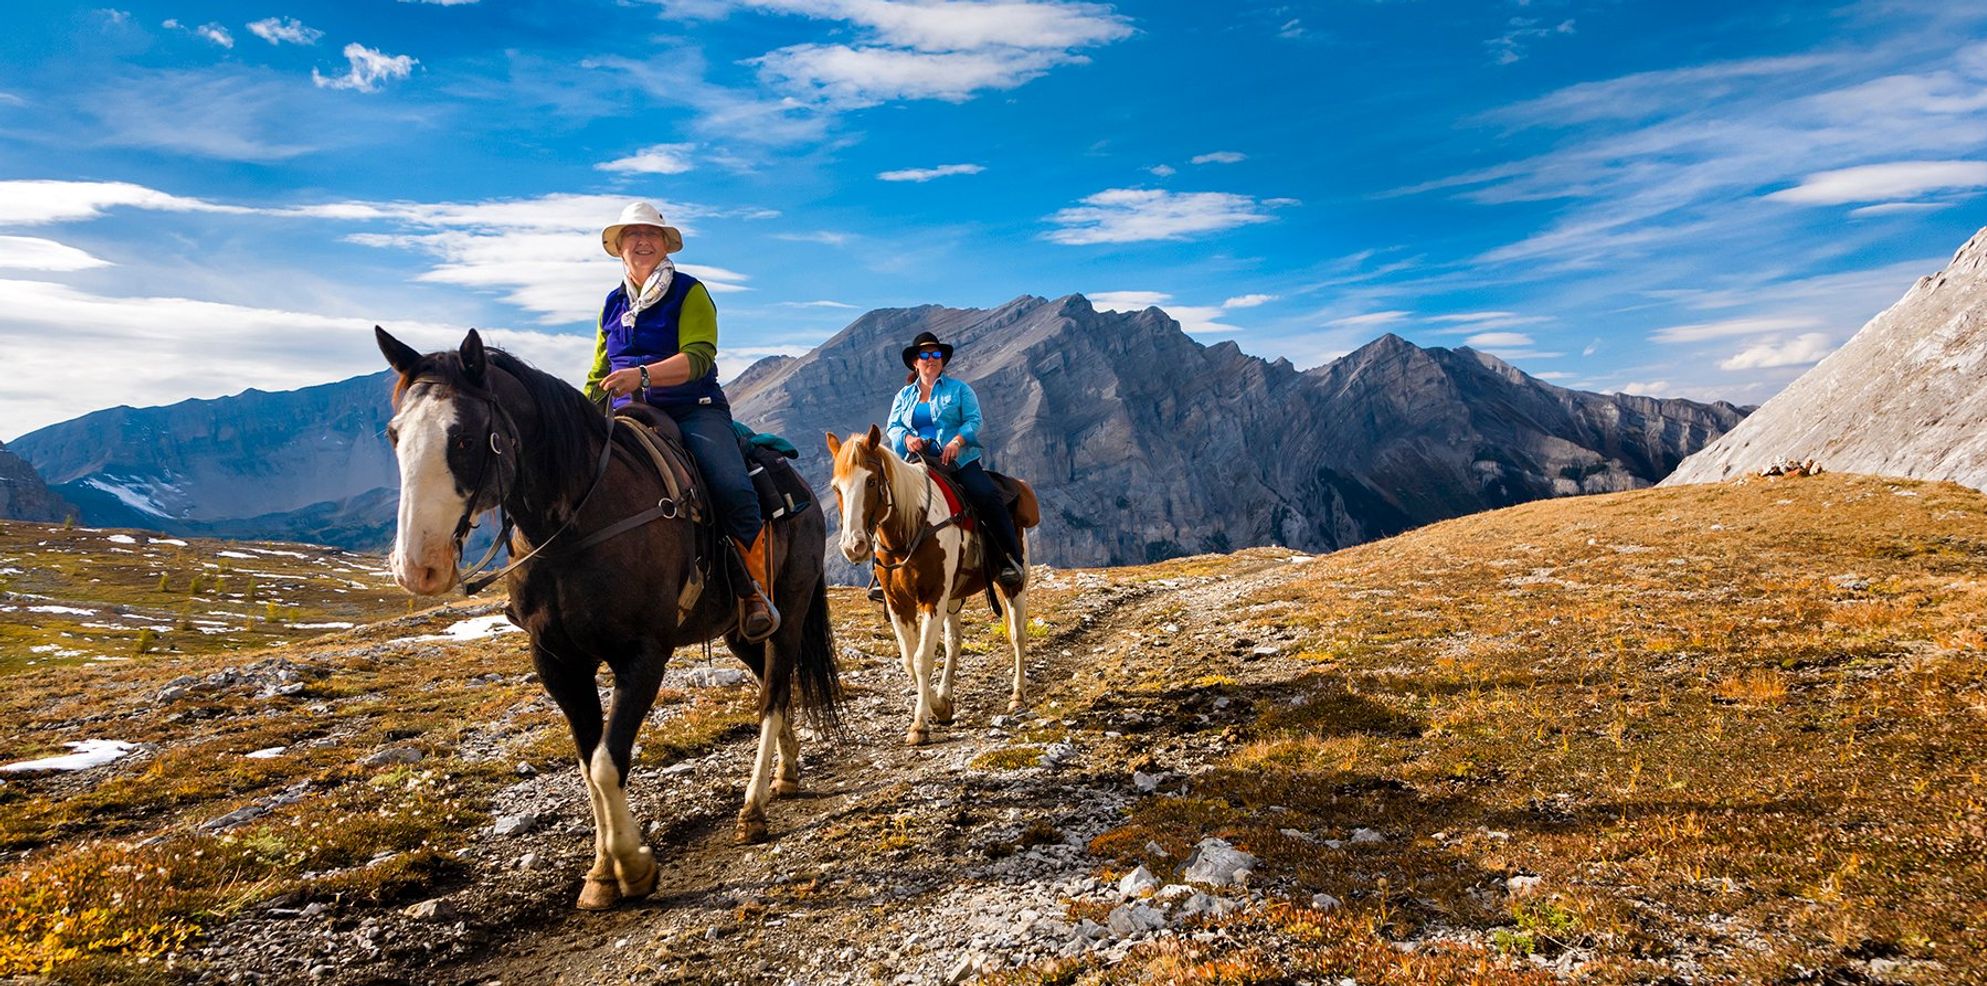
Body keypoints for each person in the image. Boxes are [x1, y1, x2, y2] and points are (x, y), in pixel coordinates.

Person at [584, 201, 777, 641]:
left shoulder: (690, 292)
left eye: (651, 234)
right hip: (627, 413)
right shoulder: (611, 304)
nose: (643, 241)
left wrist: (642, 375)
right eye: (633, 235)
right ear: (619, 247)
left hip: (692, 408)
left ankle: (754, 592)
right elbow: (599, 372)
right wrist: (578, 416)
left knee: (731, 486)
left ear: (665, 244)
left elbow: (699, 357)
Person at [885, 331, 1026, 592]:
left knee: (987, 495)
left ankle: (1010, 559)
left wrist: (957, 442)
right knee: (885, 501)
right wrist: (906, 439)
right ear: (915, 362)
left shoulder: (960, 389)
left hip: (958, 461)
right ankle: (882, 572)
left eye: (936, 354)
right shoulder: (903, 396)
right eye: (925, 354)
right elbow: (893, 426)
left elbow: (974, 420)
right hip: (917, 462)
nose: (931, 358)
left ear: (943, 360)